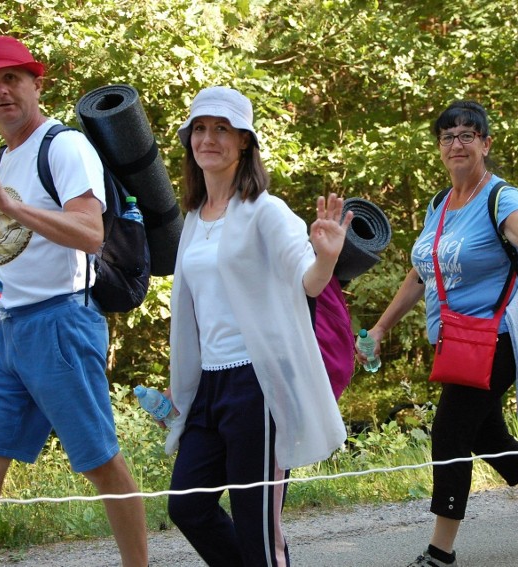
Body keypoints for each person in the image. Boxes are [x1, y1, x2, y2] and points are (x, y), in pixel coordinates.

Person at [0, 36, 148, 566]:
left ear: (37, 83)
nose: (0, 90)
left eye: (12, 78)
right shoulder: (2, 157)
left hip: (61, 323)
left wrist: (9, 204)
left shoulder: (65, 146)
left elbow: (89, 233)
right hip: (11, 332)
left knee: (101, 463)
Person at [359, 100, 518, 567]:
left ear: (485, 143)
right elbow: (421, 275)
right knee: (484, 434)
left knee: (449, 433)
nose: (456, 143)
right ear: (439, 147)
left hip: (498, 335)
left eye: (467, 135)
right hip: (454, 340)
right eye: (448, 136)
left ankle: (440, 552)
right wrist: (381, 326)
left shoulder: (502, 197)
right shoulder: (439, 204)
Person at [165, 86, 351, 566]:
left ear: (244, 141)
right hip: (209, 385)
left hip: (259, 386)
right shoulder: (193, 218)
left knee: (258, 531)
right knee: (187, 505)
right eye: (200, 128)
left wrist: (326, 258)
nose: (209, 138)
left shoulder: (265, 210)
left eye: (222, 129)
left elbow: (307, 281)